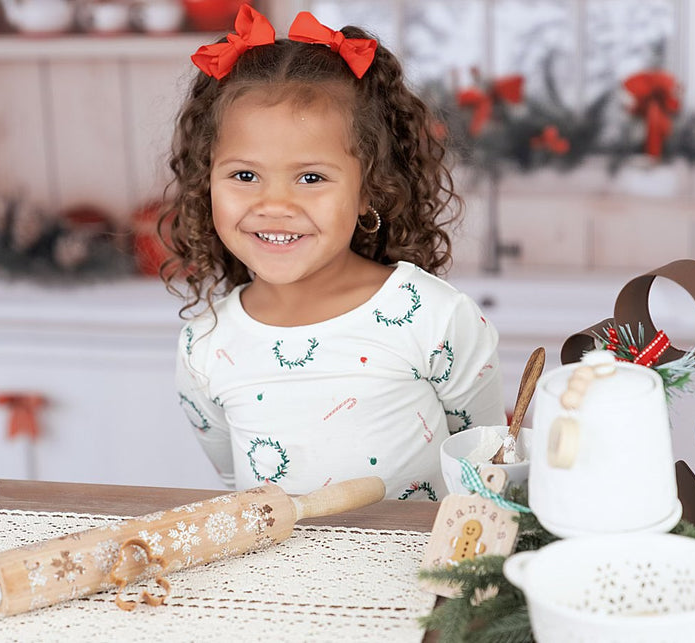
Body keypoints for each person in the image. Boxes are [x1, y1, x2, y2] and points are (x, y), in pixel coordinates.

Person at [164, 7, 504, 500]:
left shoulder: (435, 319)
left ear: (368, 189)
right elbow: (238, 489)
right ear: (206, 182)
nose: (274, 205)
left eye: (311, 178)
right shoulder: (204, 346)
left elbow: (487, 468)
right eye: (245, 175)